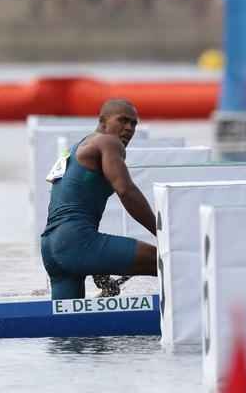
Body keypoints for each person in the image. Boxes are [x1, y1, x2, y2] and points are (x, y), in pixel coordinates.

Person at [40, 99, 158, 299]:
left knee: (69, 327)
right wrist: (163, 233)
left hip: (51, 249)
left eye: (134, 124)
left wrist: (98, 267)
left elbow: (68, 207)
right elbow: (126, 191)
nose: (129, 128)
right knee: (167, 262)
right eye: (123, 121)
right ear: (103, 122)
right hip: (76, 242)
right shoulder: (108, 142)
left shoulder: (74, 149)